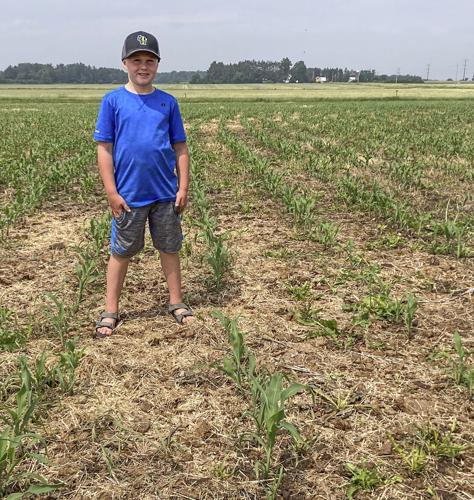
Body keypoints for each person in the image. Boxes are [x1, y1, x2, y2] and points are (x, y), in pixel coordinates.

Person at [93, 30, 194, 338]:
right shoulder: (113, 101)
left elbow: (180, 147)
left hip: (165, 194)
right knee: (121, 251)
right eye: (136, 60)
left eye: (149, 60)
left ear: (157, 65)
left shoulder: (167, 103)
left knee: (169, 247)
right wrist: (112, 192)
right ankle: (111, 310)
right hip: (128, 196)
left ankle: (176, 302)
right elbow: (104, 149)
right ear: (125, 63)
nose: (143, 66)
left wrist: (183, 186)